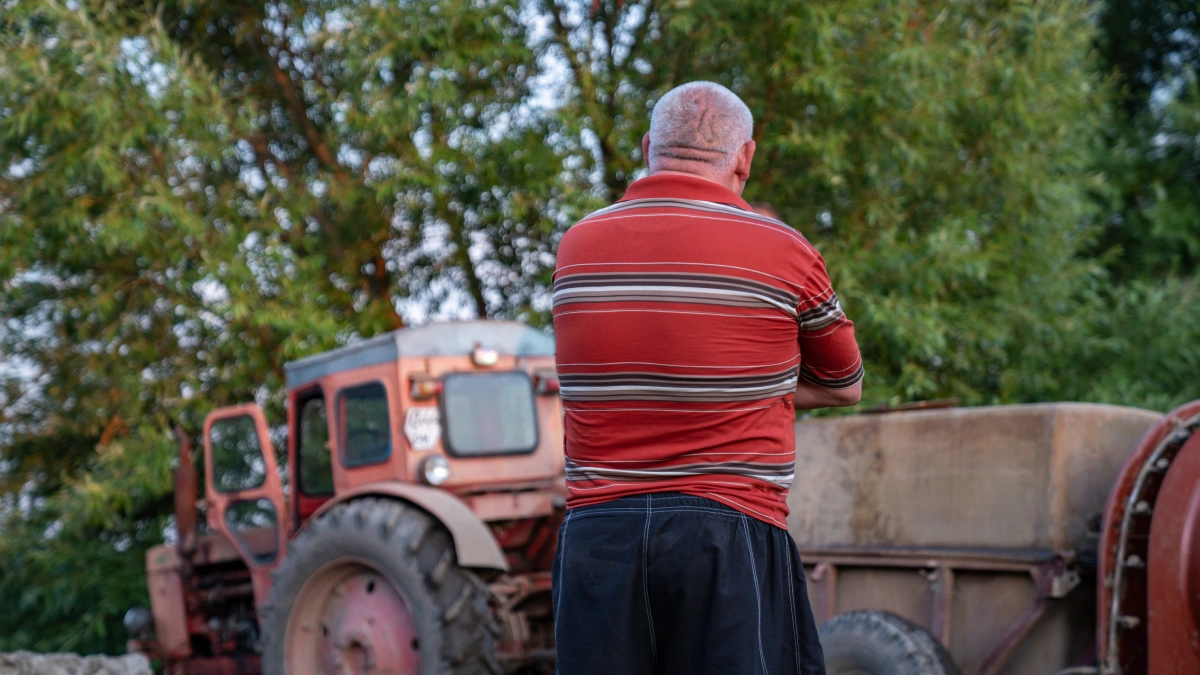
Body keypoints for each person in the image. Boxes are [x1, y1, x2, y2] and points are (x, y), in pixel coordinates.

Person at [551, 81, 862, 675]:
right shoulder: (785, 251)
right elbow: (846, 381)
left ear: (648, 148)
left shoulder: (578, 244)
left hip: (598, 540)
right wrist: (758, 383)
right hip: (728, 534)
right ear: (745, 157)